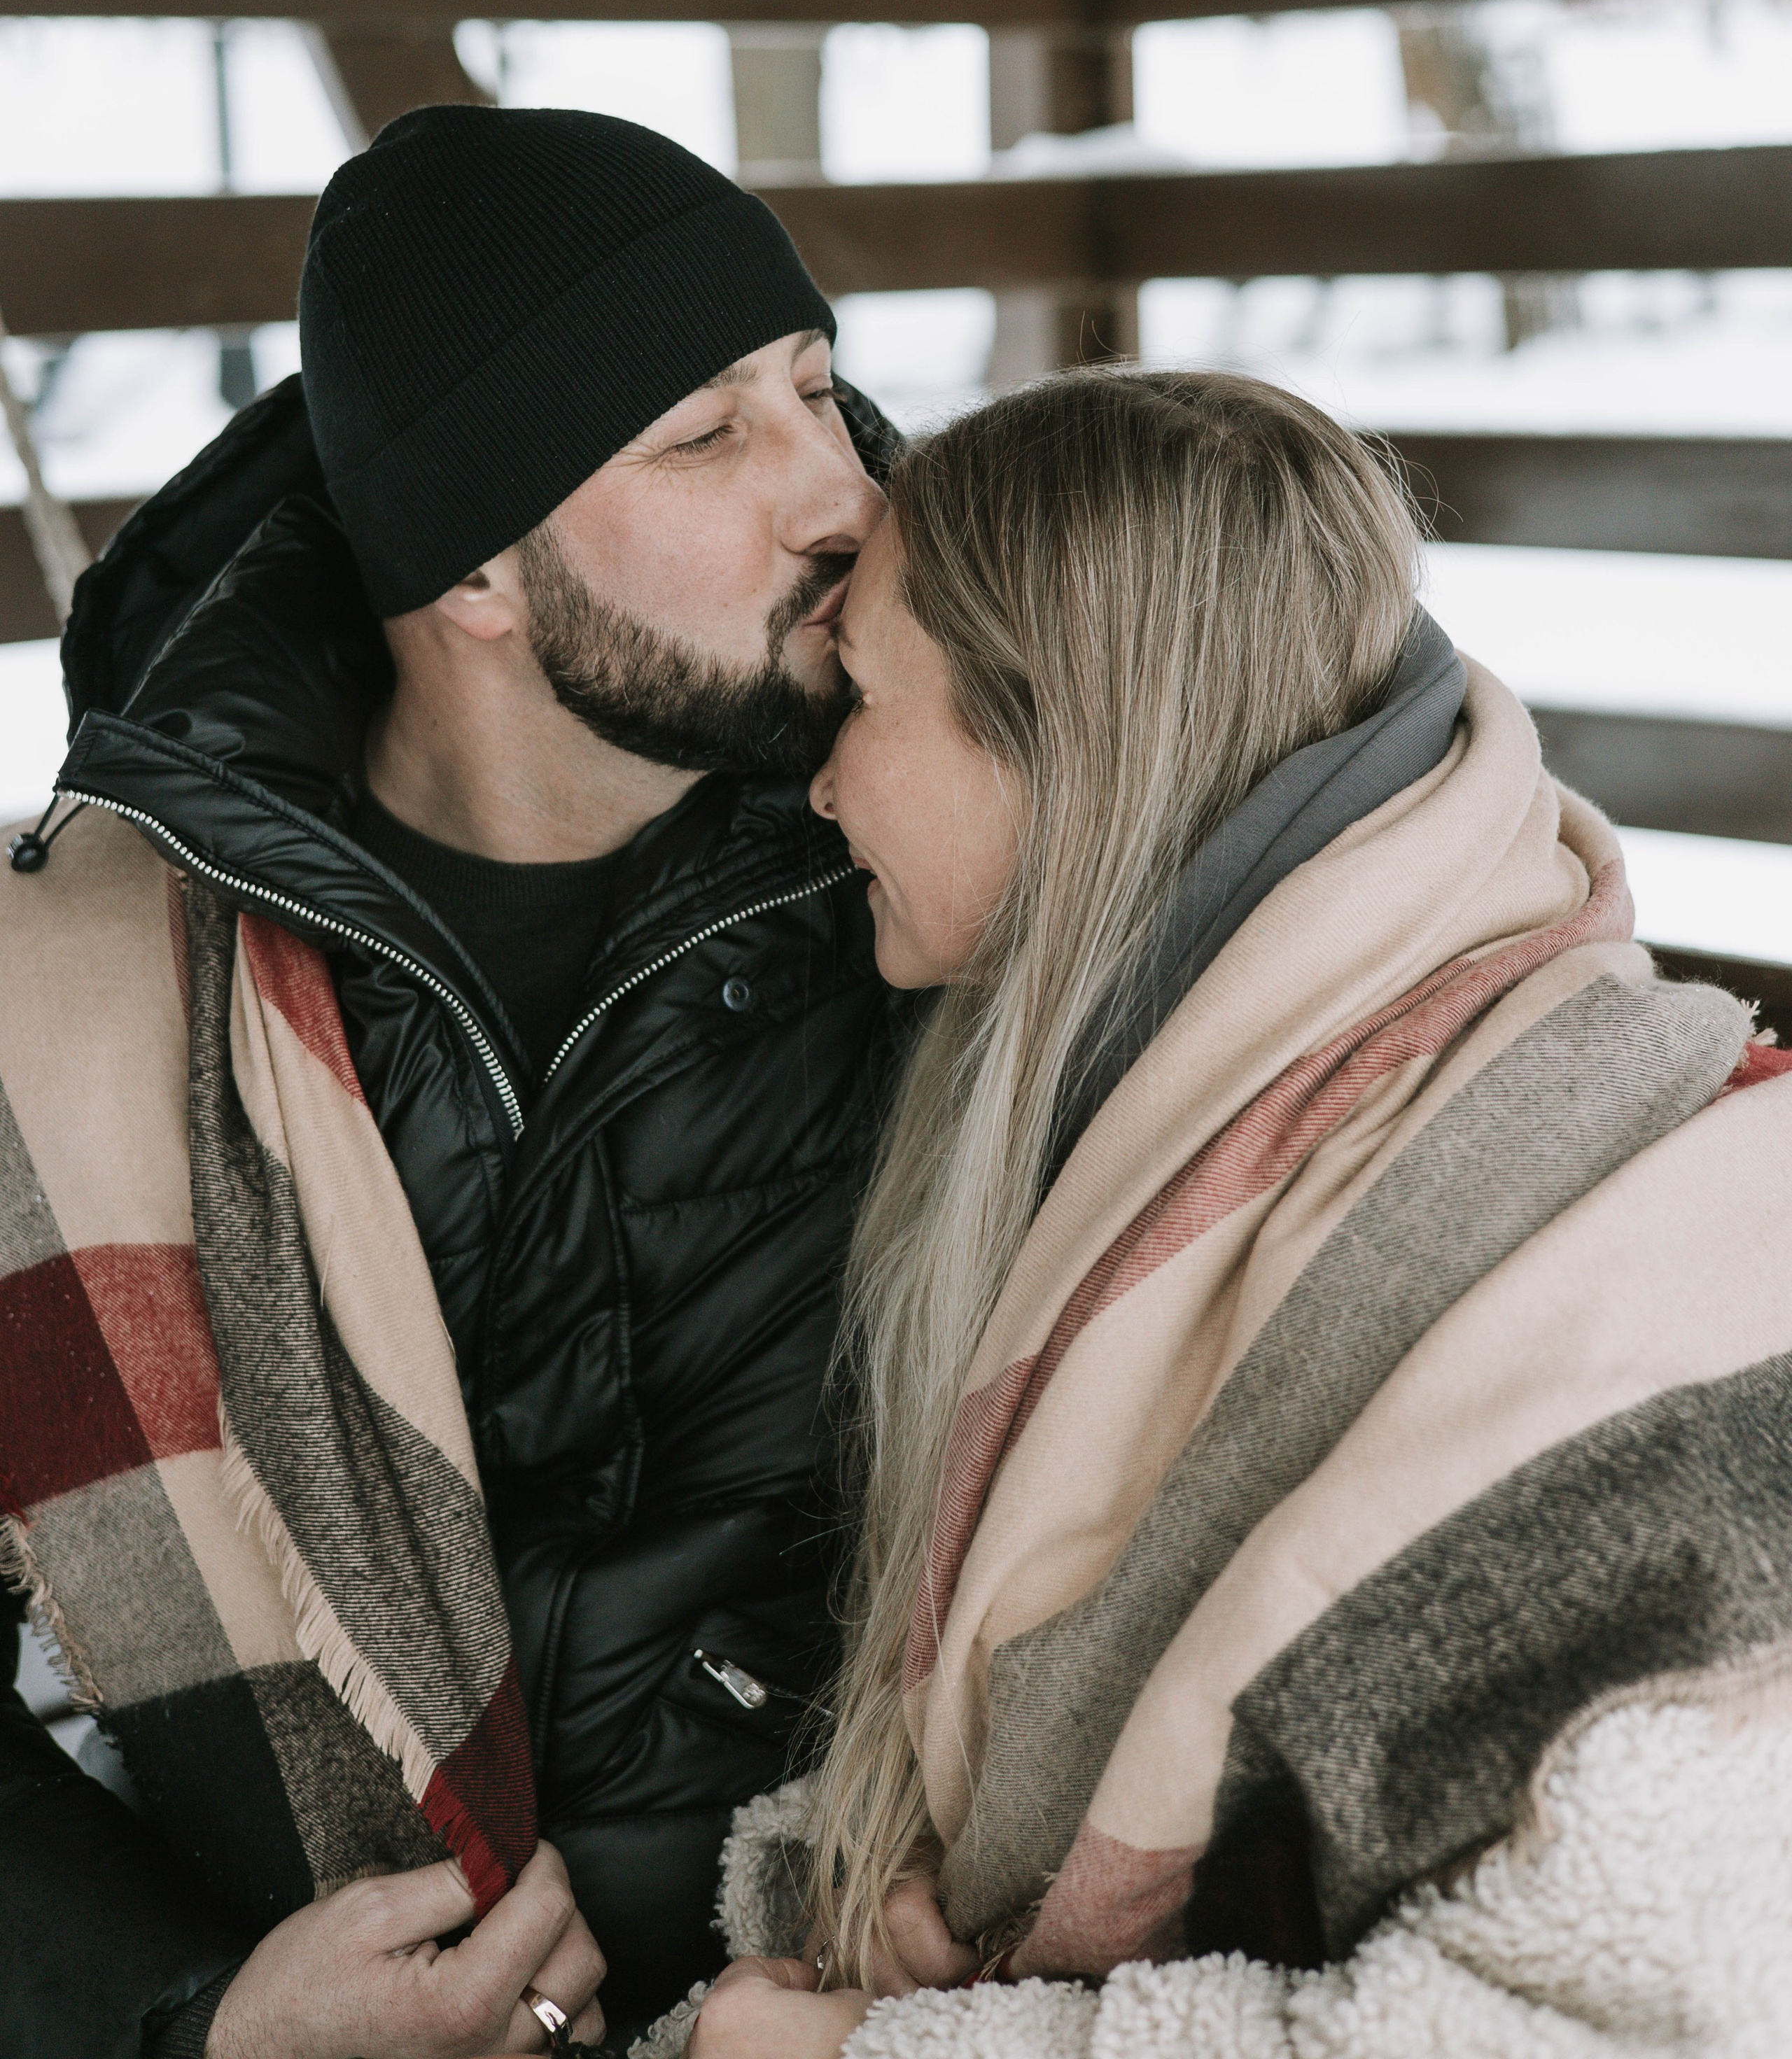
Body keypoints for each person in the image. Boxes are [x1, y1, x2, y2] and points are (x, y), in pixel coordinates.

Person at [671, 367, 1792, 2059]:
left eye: (863, 700)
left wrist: (868, 2051)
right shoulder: (1220, 1129)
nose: (820, 786)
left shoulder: (1556, 1256)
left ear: (1062, 737)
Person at [0, 106, 902, 2057]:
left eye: (818, 389)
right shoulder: (87, 1002)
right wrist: (190, 2024)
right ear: (475, 571)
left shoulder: (936, 881)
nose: (840, 491)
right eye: (707, 434)